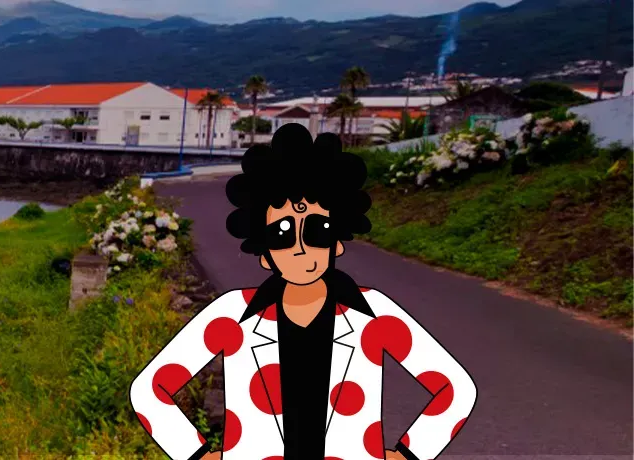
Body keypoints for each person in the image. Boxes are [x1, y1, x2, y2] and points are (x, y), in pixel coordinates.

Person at [129, 124, 477, 460]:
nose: (300, 247)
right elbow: (150, 391)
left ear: (337, 242)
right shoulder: (231, 315)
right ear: (264, 253)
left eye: (317, 230)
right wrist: (197, 454)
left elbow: (455, 390)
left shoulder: (373, 314)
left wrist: (409, 454)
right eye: (281, 235)